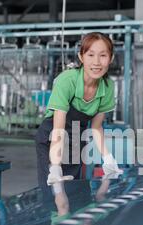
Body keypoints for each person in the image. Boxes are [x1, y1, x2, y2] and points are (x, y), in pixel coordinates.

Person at [36, 32, 123, 196]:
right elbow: (59, 129)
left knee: (77, 194)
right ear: (81, 57)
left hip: (77, 140)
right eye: (90, 55)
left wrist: (108, 158)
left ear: (110, 59)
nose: (96, 62)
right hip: (52, 139)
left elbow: (96, 127)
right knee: (56, 196)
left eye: (103, 55)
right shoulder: (67, 80)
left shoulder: (108, 87)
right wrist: (55, 167)